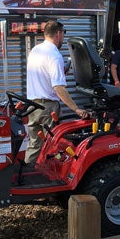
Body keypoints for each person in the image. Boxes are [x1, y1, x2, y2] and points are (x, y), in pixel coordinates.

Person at [24, 20, 89, 165]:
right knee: (52, 146)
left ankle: (28, 175)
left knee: (35, 144)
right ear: (58, 33)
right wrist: (76, 109)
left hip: (33, 106)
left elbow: (43, 76)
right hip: (48, 109)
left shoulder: (35, 50)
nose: (63, 38)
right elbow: (59, 88)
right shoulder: (54, 55)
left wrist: (62, 72)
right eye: (63, 34)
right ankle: (49, 178)